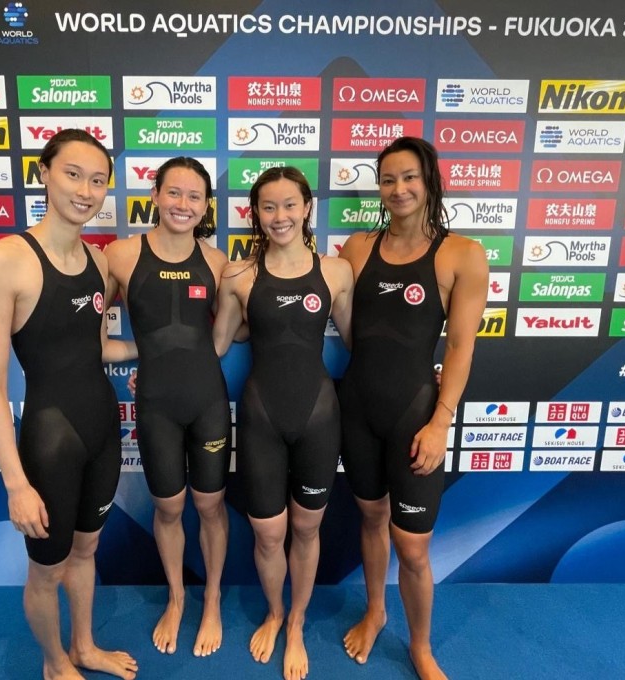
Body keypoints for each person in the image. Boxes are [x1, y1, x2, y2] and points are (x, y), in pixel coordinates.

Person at [0, 129, 139, 680]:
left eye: (97, 180)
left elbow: (96, 348)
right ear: (44, 172)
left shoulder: (98, 261)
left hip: (102, 428)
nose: (86, 191)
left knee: (86, 552)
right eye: (73, 174)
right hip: (50, 439)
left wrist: (153, 350)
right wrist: (16, 484)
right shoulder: (3, 260)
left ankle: (85, 646)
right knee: (47, 570)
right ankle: (54, 662)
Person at [338, 137, 489, 680]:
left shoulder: (462, 254)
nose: (398, 189)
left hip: (415, 412)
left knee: (414, 546)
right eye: (388, 179)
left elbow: (461, 347)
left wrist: (440, 421)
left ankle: (421, 646)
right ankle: (376, 611)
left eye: (409, 177)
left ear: (429, 181)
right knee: (372, 517)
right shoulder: (356, 249)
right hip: (356, 407)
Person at [213, 167, 353, 680]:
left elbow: (362, 343)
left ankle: (296, 623)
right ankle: (274, 612)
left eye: (289, 204)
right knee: (268, 534)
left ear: (307, 206)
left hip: (319, 417)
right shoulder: (239, 275)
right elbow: (219, 345)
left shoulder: (337, 272)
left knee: (306, 527)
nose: (280, 216)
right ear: (256, 213)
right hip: (261, 419)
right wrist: (160, 372)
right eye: (268, 207)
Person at [103, 157, 231, 658]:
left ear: (205, 206)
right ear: (154, 195)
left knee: (210, 505)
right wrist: (145, 353)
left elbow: (230, 331)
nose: (183, 205)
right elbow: (99, 343)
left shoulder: (219, 262)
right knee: (169, 507)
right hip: (155, 404)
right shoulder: (119, 256)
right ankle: (177, 599)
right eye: (174, 193)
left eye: (194, 196)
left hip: (208, 402)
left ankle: (214, 599)